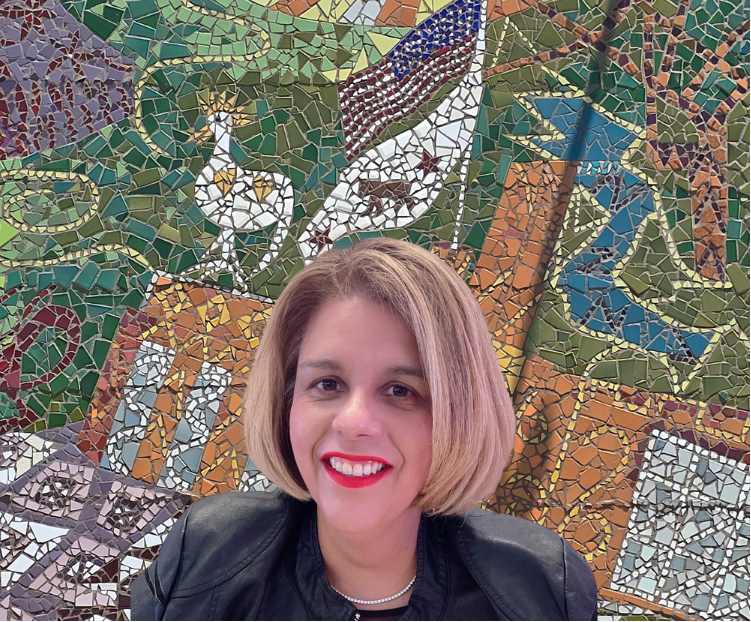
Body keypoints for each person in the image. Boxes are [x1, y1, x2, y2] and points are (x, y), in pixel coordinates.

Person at [131, 238, 598, 621]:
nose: (354, 422)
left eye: (400, 390)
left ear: (459, 414)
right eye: (327, 383)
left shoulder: (540, 589)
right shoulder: (206, 555)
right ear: (287, 401)